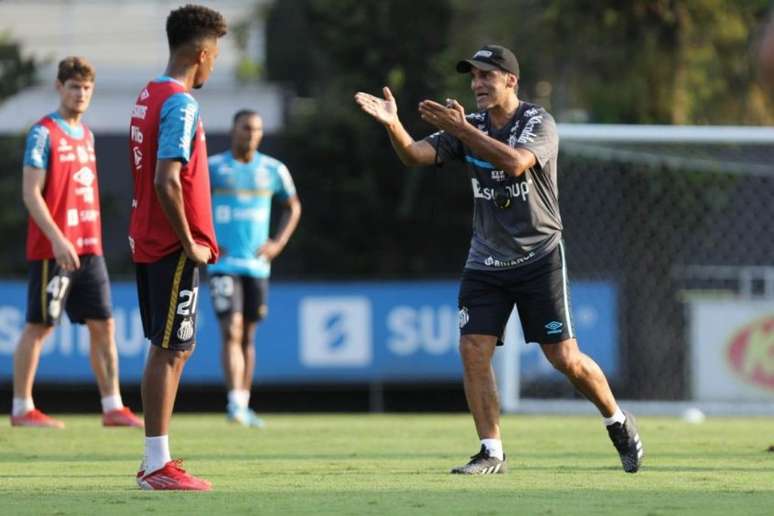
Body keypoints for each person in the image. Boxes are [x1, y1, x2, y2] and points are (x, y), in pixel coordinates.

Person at [355, 45, 643, 474]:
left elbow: (514, 163)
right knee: (473, 349)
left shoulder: (537, 122)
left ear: (511, 80)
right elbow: (414, 155)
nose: (476, 85)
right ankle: (491, 451)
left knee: (564, 358)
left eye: (486, 76)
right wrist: (393, 124)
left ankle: (617, 421)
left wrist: (463, 131)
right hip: (485, 260)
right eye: (472, 78)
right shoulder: (467, 124)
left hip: (539, 255)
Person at [11, 56, 142, 429]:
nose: (80, 93)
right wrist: (57, 238)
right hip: (55, 247)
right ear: (59, 87)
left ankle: (112, 405)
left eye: (86, 88)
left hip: (90, 246)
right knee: (40, 325)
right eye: (74, 86)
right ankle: (22, 407)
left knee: (104, 324)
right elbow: (31, 194)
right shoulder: (43, 133)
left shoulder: (86, 135)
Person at [129, 5, 226, 490]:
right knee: (172, 350)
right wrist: (190, 240)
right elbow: (168, 179)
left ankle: (155, 459)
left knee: (168, 348)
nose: (216, 64)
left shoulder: (149, 94)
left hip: (149, 238)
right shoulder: (181, 104)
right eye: (217, 55)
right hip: (172, 245)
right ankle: (156, 466)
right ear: (202, 53)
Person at [207, 110, 301, 427]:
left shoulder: (273, 170)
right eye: (246, 128)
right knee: (230, 329)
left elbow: (293, 206)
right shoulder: (214, 168)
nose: (252, 134)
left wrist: (277, 243)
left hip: (258, 266)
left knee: (247, 334)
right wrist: (205, 240)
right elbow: (191, 204)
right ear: (233, 130)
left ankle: (243, 404)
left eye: (258, 129)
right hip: (223, 264)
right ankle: (234, 403)